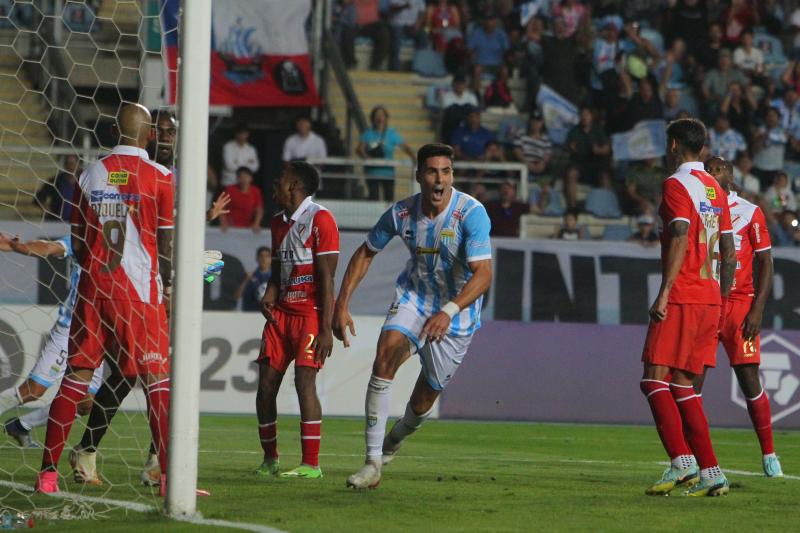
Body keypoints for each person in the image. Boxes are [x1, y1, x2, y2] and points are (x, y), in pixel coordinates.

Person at [333, 143, 492, 489]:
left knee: (422, 403)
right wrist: (341, 303)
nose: (440, 180)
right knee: (384, 357)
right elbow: (365, 252)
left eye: (446, 172)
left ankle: (395, 439)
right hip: (415, 300)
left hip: (457, 316)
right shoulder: (401, 214)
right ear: (419, 176)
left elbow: (483, 275)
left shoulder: (471, 213)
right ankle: (372, 462)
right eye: (433, 171)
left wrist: (449, 311)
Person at [35, 103, 174, 495]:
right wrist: (167, 285)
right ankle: (167, 478)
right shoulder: (161, 177)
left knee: (76, 378)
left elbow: (78, 242)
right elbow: (164, 242)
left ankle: (47, 474)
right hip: (138, 293)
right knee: (157, 380)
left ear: (115, 130)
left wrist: (96, 269)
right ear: (151, 135)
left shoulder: (90, 174)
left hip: (94, 289)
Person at [639, 118, 736, 497]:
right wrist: (721, 301)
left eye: (668, 144)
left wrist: (664, 291)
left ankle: (682, 462)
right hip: (710, 296)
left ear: (675, 145)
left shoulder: (676, 184)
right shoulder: (716, 189)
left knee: (653, 379)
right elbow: (729, 254)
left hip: (683, 294)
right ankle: (713, 473)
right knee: (683, 385)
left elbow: (679, 235)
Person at [699, 156, 783, 477]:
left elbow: (766, 263)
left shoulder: (750, 212)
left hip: (738, 305)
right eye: (706, 170)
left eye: (715, 170)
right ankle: (693, 460)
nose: (709, 173)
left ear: (729, 177)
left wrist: (757, 309)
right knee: (693, 382)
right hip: (706, 301)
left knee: (749, 380)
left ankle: (769, 454)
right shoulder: (703, 209)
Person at [255, 161, 339, 479]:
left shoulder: (321, 219)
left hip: (310, 316)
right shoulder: (278, 223)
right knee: (265, 387)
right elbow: (278, 271)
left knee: (304, 383)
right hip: (281, 316)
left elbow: (327, 278)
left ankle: (311, 464)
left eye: (281, 178)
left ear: (294, 186)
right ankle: (270, 459)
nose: (275, 182)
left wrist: (327, 330)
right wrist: (270, 292)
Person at [0, 235, 104, 449]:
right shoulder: (85, 236)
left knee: (85, 403)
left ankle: (22, 425)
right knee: (33, 390)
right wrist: (20, 247)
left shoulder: (129, 246)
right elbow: (50, 247)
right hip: (72, 329)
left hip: (101, 334)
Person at [357, 106, 414, 201]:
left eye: (382, 115)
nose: (379, 118)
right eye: (377, 115)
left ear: (386, 118)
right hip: (372, 172)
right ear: (372, 118)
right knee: (373, 199)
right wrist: (367, 158)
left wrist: (414, 157)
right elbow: (359, 150)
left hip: (388, 173)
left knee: (389, 201)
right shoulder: (368, 133)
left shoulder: (391, 133)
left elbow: (405, 147)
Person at [467, 12, 509, 94]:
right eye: (487, 20)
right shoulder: (477, 33)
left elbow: (507, 51)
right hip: (481, 64)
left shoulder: (501, 34)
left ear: (495, 21)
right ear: (483, 21)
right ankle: (477, 95)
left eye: (492, 20)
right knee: (477, 70)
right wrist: (473, 58)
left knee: (505, 71)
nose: (489, 23)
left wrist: (504, 61)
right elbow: (469, 49)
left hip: (497, 64)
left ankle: (503, 95)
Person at [34, 154, 80, 222]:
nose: (71, 167)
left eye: (72, 163)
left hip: (76, 223)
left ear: (77, 165)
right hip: (57, 223)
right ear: (65, 165)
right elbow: (37, 198)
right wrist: (45, 208)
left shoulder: (83, 182)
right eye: (68, 163)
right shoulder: (56, 181)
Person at [220, 167, 264, 232]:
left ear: (251, 178)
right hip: (231, 228)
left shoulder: (256, 191)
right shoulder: (230, 190)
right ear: (237, 178)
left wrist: (256, 223)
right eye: (241, 177)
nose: (244, 180)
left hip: (249, 229)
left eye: (246, 177)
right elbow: (221, 208)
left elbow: (259, 210)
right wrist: (223, 222)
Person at [388, 0, 427, 71]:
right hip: (398, 24)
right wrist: (403, 6)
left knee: (423, 36)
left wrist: (418, 24)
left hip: (413, 25)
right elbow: (391, 9)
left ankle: (419, 67)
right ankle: (395, 69)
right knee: (396, 39)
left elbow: (422, 11)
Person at [512, 110, 551, 178]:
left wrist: (542, 164)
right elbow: (517, 151)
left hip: (539, 164)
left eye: (538, 121)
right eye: (533, 120)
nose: (535, 123)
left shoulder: (546, 138)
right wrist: (527, 163)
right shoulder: (520, 133)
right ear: (530, 121)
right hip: (524, 163)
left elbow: (547, 154)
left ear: (542, 123)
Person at [236, 246, 272, 312]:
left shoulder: (277, 278)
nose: (264, 259)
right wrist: (246, 280)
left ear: (271, 259)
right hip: (251, 314)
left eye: (267, 256)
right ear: (257, 258)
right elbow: (237, 296)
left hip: (271, 314)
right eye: (261, 256)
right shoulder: (248, 276)